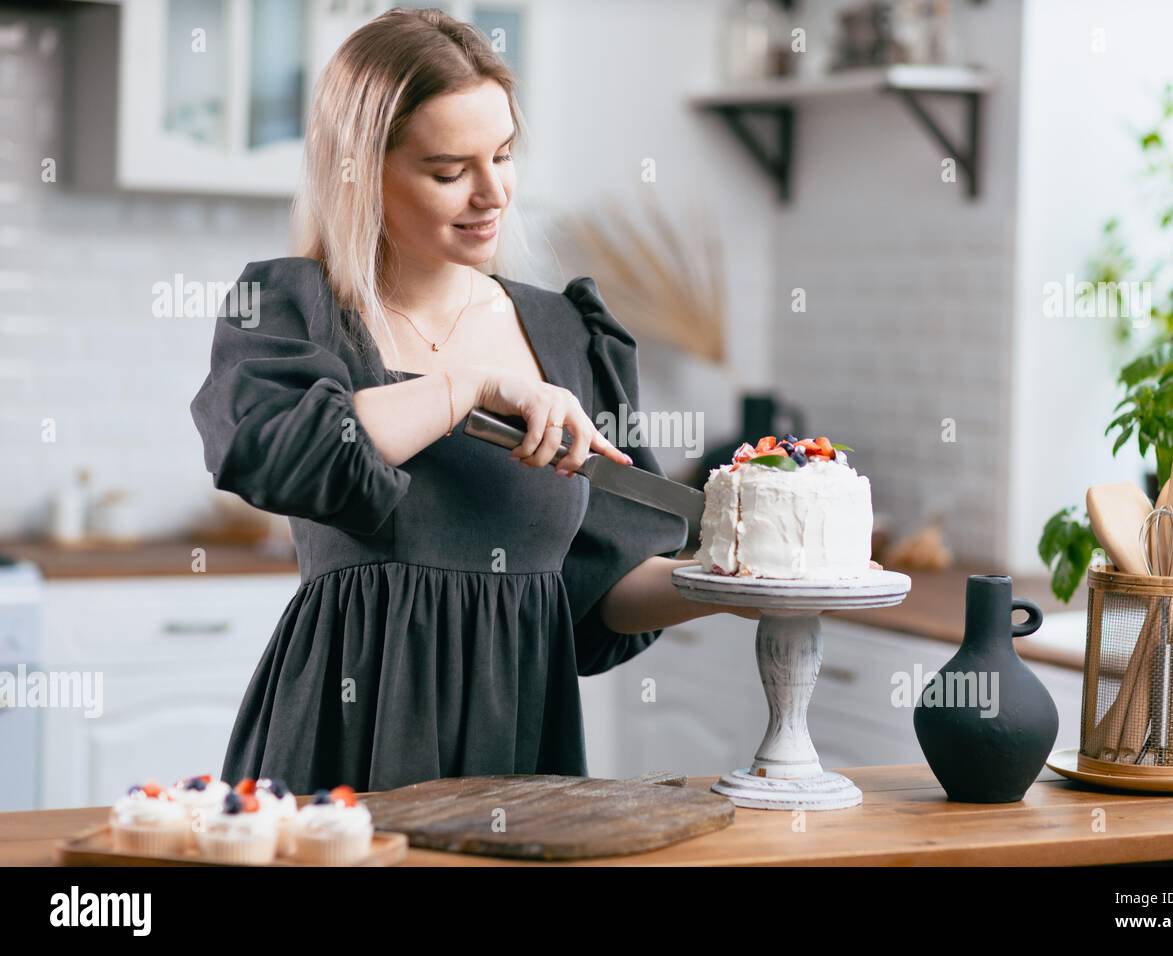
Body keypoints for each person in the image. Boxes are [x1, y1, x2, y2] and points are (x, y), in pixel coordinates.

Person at [189, 7, 758, 793]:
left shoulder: (567, 334)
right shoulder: (296, 309)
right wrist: (462, 389)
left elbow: (600, 597)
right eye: (449, 171)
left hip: (518, 751)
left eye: (504, 155)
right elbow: (282, 453)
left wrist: (739, 586)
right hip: (344, 741)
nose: (493, 194)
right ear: (361, 172)